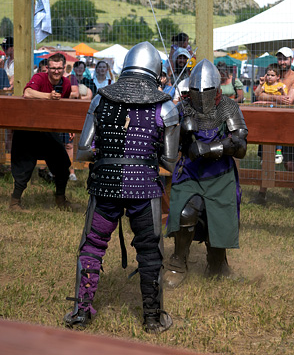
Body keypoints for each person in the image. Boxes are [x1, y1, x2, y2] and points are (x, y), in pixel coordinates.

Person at [64, 42, 180, 333]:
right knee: (150, 250)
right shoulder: (165, 106)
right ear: (155, 71)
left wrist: (111, 154)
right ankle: (152, 318)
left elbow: (83, 151)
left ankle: (81, 312)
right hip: (143, 187)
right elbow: (168, 159)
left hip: (106, 184)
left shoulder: (101, 99)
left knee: (92, 246)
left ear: (126, 66)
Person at [163, 59, 248, 289]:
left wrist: (210, 148)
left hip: (220, 175)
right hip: (190, 173)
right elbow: (168, 147)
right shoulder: (183, 108)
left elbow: (240, 146)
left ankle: (217, 265)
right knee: (186, 211)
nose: (201, 95)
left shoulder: (228, 107)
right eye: (196, 91)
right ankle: (178, 263)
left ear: (216, 88)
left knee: (218, 217)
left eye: (206, 90)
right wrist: (181, 131)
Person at [9, 53, 80, 212]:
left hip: (48, 130)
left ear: (64, 68)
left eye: (59, 68)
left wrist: (68, 128)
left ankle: (60, 200)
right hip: (28, 129)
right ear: (47, 68)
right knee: (24, 167)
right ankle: (14, 203)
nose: (56, 71)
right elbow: (27, 93)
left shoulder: (66, 83)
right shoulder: (40, 78)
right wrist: (48, 96)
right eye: (53, 68)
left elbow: (64, 108)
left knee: (62, 164)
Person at [250, 47, 294, 208]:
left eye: (285, 59)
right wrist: (273, 99)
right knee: (266, 160)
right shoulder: (271, 75)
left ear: (291, 60)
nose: (282, 62)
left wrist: (267, 99)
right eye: (279, 59)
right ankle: (261, 195)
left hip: (288, 124)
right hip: (268, 123)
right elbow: (258, 95)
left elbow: (290, 99)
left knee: (290, 162)